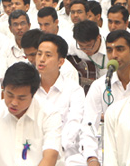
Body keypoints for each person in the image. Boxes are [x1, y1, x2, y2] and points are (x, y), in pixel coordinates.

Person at [34, 34, 85, 165]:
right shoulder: (29, 88)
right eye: (39, 54)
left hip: (64, 153)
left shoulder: (74, 90)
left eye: (48, 55)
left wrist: (52, 150)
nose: (41, 59)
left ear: (61, 62)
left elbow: (74, 124)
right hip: (32, 150)